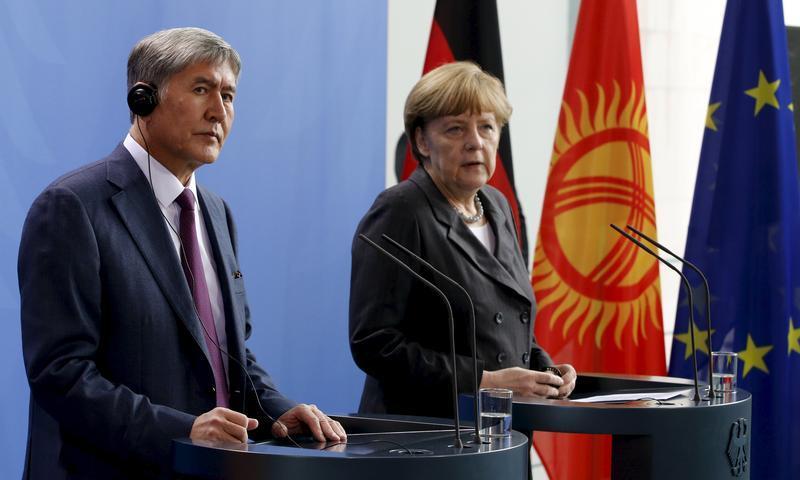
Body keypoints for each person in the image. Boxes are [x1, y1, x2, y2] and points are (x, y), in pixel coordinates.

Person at [19, 27, 345, 480]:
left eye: (229, 96)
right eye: (201, 89)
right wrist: (183, 430)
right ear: (143, 100)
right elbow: (61, 374)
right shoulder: (72, 207)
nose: (219, 111)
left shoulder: (216, 211)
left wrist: (277, 412)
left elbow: (230, 354)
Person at [349, 61, 577, 419]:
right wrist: (483, 381)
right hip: (424, 438)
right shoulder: (400, 211)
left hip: (499, 432)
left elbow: (504, 324)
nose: (475, 142)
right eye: (455, 130)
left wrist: (545, 370)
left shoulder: (498, 206)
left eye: (487, 127)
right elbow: (374, 342)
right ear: (422, 141)